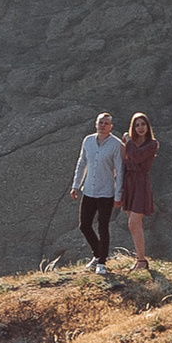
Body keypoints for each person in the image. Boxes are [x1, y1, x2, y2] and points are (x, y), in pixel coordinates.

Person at [71, 110, 122, 266]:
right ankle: (98, 253)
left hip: (106, 192)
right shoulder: (88, 141)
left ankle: (102, 263)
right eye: (101, 122)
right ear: (96, 124)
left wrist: (118, 195)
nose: (103, 125)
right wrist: (76, 185)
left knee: (103, 227)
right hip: (88, 191)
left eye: (106, 123)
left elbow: (120, 170)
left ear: (111, 126)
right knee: (84, 225)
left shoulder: (117, 145)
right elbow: (82, 163)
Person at [118, 111, 159, 269]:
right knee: (134, 224)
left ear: (148, 127)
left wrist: (127, 140)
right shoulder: (130, 145)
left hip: (141, 183)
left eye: (143, 124)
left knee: (134, 222)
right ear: (133, 127)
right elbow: (123, 162)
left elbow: (137, 157)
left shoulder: (152, 144)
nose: (140, 128)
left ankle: (142, 261)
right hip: (129, 183)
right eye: (137, 125)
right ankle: (139, 259)